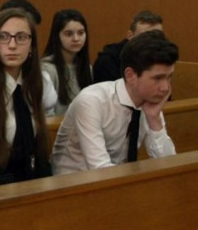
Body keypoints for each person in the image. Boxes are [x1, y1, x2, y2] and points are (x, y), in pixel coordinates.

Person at [52, 30, 177, 174]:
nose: (165, 88)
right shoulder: (92, 101)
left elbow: (170, 166)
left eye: (169, 77)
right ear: (130, 75)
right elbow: (99, 168)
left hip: (116, 179)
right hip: (72, 182)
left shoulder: (150, 103)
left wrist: (154, 120)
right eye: (157, 78)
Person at [0, 8, 51, 187]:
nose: (12, 45)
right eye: (3, 37)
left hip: (29, 184)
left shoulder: (32, 85)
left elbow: (38, 153)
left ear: (32, 46)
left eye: (21, 37)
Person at [40, 9, 93, 115]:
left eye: (81, 33)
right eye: (69, 34)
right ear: (57, 36)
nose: (76, 38)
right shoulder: (47, 69)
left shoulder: (87, 67)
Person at [93, 10, 163, 83]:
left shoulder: (161, 58)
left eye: (157, 36)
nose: (152, 42)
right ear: (130, 36)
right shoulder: (108, 61)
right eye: (145, 36)